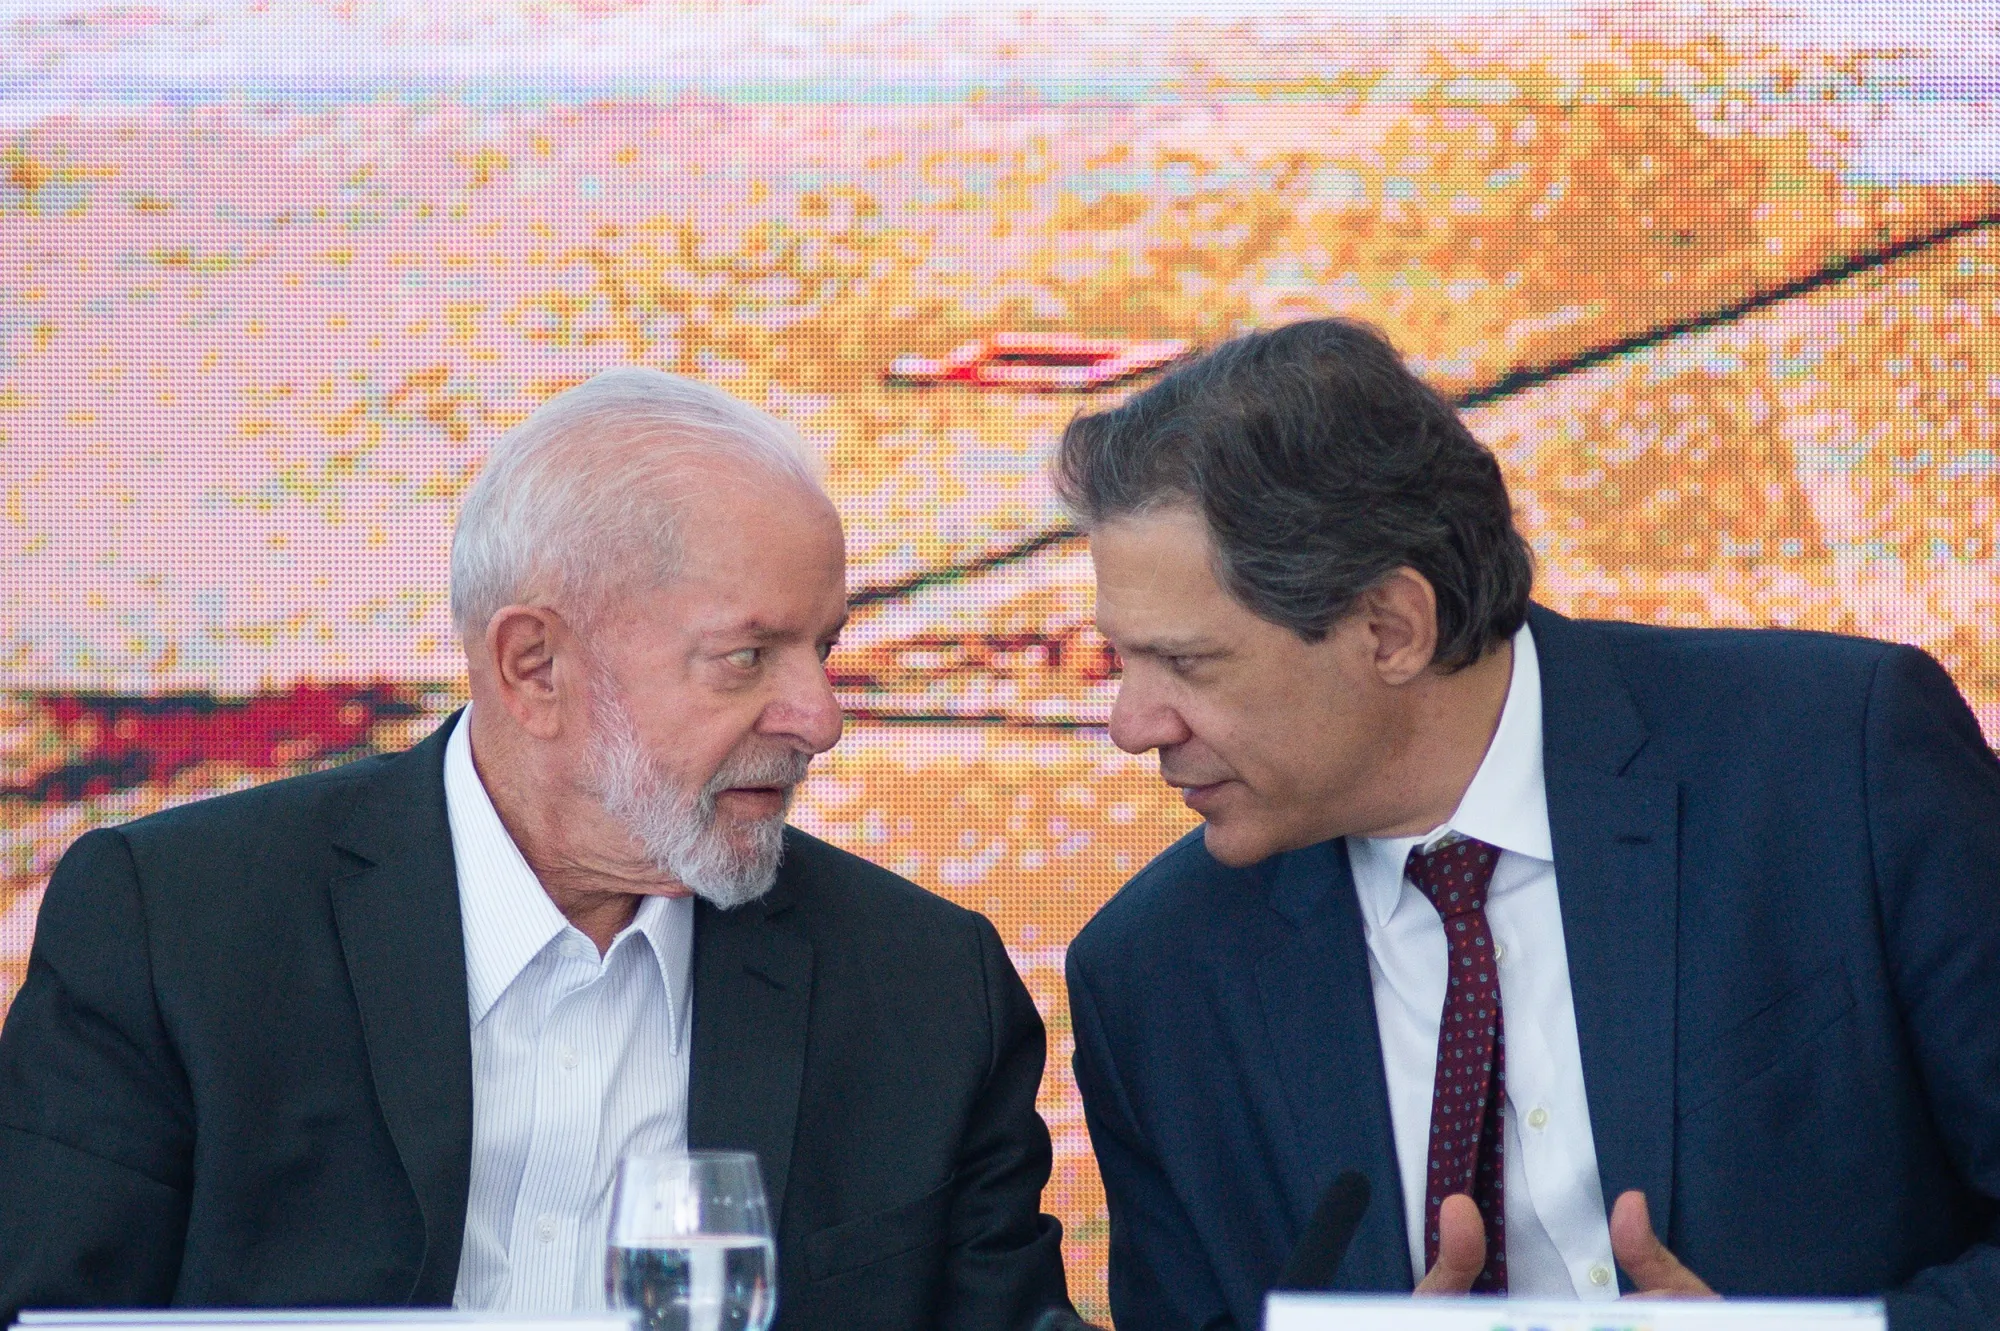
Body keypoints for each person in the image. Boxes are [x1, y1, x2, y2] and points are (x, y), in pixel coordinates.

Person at [0, 369, 1070, 1331]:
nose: (819, 715)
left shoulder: (924, 987)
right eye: (746, 657)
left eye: (823, 649)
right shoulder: (177, 925)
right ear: (532, 666)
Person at [1056, 319, 2000, 1331]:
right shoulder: (1151, 978)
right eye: (1121, 661)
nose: (1129, 726)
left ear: (1389, 629)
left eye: (1188, 664)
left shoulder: (1834, 762)